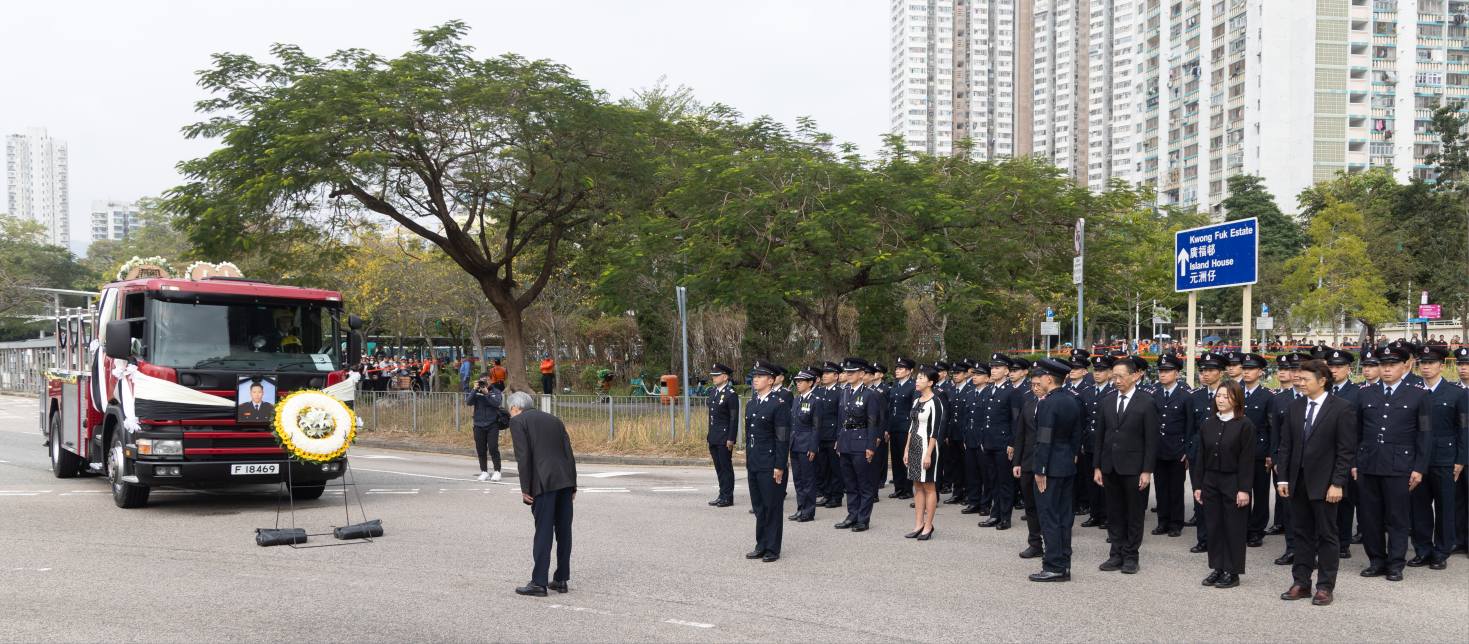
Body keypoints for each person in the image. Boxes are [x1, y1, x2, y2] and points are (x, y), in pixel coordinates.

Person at [1276, 359, 1357, 606]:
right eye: (1298, 379)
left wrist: (1338, 483)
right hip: (1297, 482)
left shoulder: (1342, 408)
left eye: (1305, 379)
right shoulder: (1295, 407)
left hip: (1325, 484)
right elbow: (1286, 445)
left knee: (1327, 535)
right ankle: (1301, 582)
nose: (1299, 383)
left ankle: (1325, 586)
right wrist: (1283, 478)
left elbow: (1346, 450)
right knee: (1301, 533)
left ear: (1322, 381)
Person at [1355, 344, 1432, 582]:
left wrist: (1419, 468)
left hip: (1401, 465)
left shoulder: (1418, 394)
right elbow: (1356, 432)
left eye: (1393, 365)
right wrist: (1354, 463)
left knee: (1397, 517)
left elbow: (1425, 435)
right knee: (1370, 516)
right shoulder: (1365, 394)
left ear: (1405, 366)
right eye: (1383, 365)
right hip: (1369, 463)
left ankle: (1395, 563)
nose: (1387, 370)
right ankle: (1376, 560)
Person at [1015, 358, 1084, 582]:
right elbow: (1076, 436)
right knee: (1064, 517)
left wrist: (1040, 469)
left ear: (1048, 379)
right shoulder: (1072, 400)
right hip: (1066, 466)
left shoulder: (1047, 403)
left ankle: (1053, 565)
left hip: (1050, 467)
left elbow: (1044, 439)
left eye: (1040, 378)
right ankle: (1064, 562)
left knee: (1049, 516)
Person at [1093, 355, 1160, 574]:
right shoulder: (1107, 401)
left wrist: (1147, 470)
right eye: (1114, 377)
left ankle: (1131, 556)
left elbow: (1151, 440)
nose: (1117, 380)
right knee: (1114, 512)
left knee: (1134, 514)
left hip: (1134, 468)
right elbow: (1100, 436)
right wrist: (1097, 467)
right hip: (1110, 466)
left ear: (1135, 376)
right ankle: (1115, 553)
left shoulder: (1147, 402)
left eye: (1121, 376)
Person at [508, 391, 577, 597]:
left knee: (544, 532)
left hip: (543, 483)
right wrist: (573, 484)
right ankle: (561, 579)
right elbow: (568, 452)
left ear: (514, 408)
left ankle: (538, 582)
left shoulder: (518, 421)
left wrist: (525, 488)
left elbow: (524, 457)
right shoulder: (554, 419)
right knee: (564, 531)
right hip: (564, 480)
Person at [1407, 345, 1466, 570]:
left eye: (1431, 363)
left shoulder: (1457, 393)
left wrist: (1460, 459)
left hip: (1445, 458)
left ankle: (1441, 551)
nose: (1426, 367)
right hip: (1417, 460)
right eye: (1423, 362)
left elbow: (1463, 429)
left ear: (1442, 365)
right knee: (1419, 507)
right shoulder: (1412, 391)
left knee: (1445, 507)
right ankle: (1422, 550)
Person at [1194, 381, 1255, 589]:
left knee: (1234, 527)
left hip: (1234, 481)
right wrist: (1198, 485)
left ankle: (1233, 570)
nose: (1221, 400)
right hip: (1211, 480)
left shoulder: (1245, 425)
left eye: (1226, 396)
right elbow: (1200, 456)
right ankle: (1217, 567)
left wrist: (1244, 489)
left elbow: (1247, 460)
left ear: (1237, 399)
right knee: (1214, 526)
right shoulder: (1208, 423)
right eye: (1218, 396)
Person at [743, 361, 790, 562]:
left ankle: (772, 548)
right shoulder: (752, 403)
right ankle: (761, 544)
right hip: (754, 461)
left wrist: (780, 465)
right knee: (759, 506)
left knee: (772, 507)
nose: (755, 379)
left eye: (760, 376)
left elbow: (782, 438)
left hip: (770, 462)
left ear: (771, 381)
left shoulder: (778, 404)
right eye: (754, 376)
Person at [834, 358, 882, 532]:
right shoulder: (844, 392)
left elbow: (873, 422)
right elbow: (840, 419)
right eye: (847, 372)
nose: (849, 375)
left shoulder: (870, 394)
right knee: (849, 482)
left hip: (861, 441)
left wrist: (870, 446)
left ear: (861, 374)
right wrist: (838, 441)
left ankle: (863, 519)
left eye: (852, 372)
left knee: (864, 483)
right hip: (846, 441)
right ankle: (852, 515)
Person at [1188, 352, 1228, 553]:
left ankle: (1219, 538)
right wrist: (1188, 450)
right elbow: (1189, 427)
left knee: (1220, 498)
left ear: (1221, 372)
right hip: (1198, 453)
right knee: (1200, 495)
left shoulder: (1228, 394)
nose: (1206, 374)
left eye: (1211, 370)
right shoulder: (1195, 396)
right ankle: (1203, 538)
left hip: (1222, 454)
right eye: (1203, 370)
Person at [1152, 353, 1193, 538]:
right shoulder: (1154, 394)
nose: (1163, 374)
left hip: (1177, 450)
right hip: (1159, 449)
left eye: (1167, 371)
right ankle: (1163, 521)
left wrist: (1187, 450)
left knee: (1176, 488)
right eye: (1161, 371)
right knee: (1160, 487)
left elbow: (1190, 426)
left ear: (1177, 373)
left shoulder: (1185, 396)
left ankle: (1176, 523)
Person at [904, 365, 947, 540]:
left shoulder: (935, 401)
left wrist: (929, 453)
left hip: (927, 447)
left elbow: (935, 430)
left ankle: (928, 526)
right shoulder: (916, 401)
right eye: (917, 378)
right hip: (913, 446)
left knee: (929, 486)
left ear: (930, 382)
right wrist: (906, 448)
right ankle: (918, 524)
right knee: (917, 485)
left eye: (921, 378)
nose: (917, 381)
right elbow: (911, 427)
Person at [1238, 353, 1276, 548]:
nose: (1246, 372)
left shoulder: (1268, 396)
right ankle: (1242, 527)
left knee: (1260, 493)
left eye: (1251, 369)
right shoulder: (1234, 391)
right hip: (1237, 451)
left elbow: (1271, 427)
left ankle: (1256, 530)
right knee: (1241, 491)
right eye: (1244, 369)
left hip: (1259, 451)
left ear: (1260, 372)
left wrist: (1271, 453)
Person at [788, 368, 824, 522]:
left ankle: (808, 512)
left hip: (807, 444)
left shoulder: (815, 401)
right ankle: (800, 508)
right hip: (795, 444)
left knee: (808, 480)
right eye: (797, 381)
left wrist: (813, 447)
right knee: (798, 479)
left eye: (801, 381)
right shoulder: (796, 400)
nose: (798, 384)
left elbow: (816, 427)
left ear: (810, 383)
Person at [705, 363, 740, 508]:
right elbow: (711, 416)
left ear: (725, 377)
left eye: (717, 375)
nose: (714, 378)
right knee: (718, 467)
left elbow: (733, 418)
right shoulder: (713, 392)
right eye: (713, 375)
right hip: (714, 435)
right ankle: (722, 494)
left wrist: (731, 438)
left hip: (725, 437)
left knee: (726, 467)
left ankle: (728, 496)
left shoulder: (730, 394)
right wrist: (709, 435)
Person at [886, 357, 918, 501]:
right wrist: (887, 427)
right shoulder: (895, 386)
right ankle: (898, 488)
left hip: (906, 428)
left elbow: (914, 409)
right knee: (896, 459)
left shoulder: (913, 386)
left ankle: (907, 489)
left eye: (901, 368)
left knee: (906, 459)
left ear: (909, 371)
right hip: (894, 426)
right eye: (897, 368)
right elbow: (890, 408)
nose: (897, 371)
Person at [467, 378, 506, 481]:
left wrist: (487, 394)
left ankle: (497, 471)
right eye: (482, 381)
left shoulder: (495, 392)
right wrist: (474, 390)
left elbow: (496, 403)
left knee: (493, 448)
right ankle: (484, 471)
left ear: (490, 381)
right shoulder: (476, 391)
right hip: (478, 424)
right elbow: (468, 402)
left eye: (486, 381)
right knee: (481, 449)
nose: (484, 383)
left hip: (492, 424)